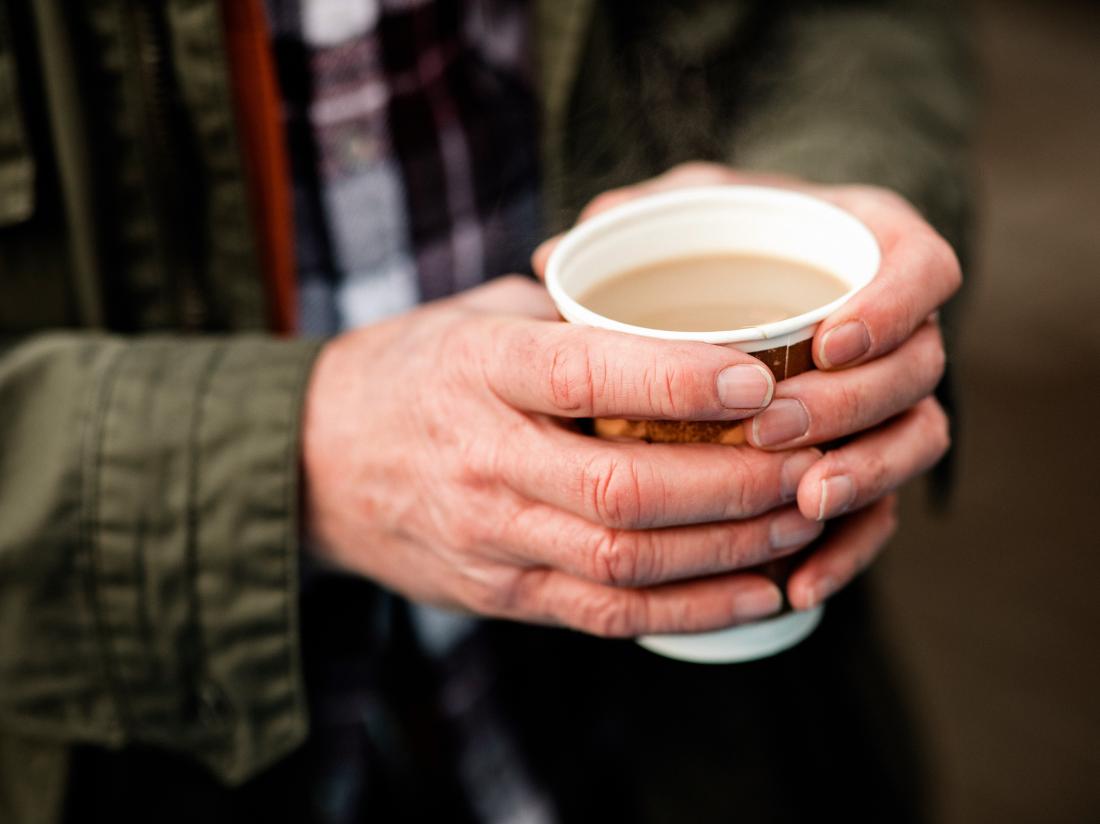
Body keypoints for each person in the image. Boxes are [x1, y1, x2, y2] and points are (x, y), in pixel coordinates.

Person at [0, 0, 972, 821]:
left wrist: (835, 191)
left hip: (731, 743)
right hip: (134, 747)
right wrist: (285, 460)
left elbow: (855, 24)